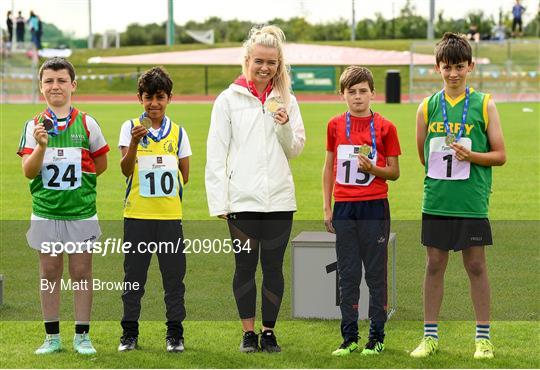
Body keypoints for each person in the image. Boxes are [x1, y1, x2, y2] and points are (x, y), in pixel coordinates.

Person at [205, 25, 305, 353]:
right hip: (242, 201)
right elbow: (216, 153)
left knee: (274, 268)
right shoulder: (228, 99)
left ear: (280, 65)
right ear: (247, 59)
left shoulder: (287, 100)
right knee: (245, 267)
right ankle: (248, 333)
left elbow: (295, 149)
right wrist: (219, 200)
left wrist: (284, 124)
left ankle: (269, 331)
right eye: (259, 61)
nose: (265, 67)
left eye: (272, 63)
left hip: (279, 201)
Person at [410, 32, 506, 360]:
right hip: (437, 200)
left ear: (471, 67)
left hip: (471, 201)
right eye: (448, 67)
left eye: (460, 67)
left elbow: (500, 154)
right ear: (438, 67)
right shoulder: (426, 107)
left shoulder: (484, 103)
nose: (454, 73)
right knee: (434, 265)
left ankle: (483, 340)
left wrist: (472, 157)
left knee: (476, 265)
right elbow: (424, 155)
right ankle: (430, 337)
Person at [17, 57, 109, 355]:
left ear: (73, 85)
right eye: (49, 81)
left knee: (82, 272)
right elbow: (28, 171)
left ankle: (82, 335)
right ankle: (52, 337)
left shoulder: (87, 122)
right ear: (41, 87)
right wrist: (42, 147)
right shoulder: (33, 125)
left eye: (61, 80)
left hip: (80, 212)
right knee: (49, 272)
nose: (55, 86)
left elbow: (101, 162)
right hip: (46, 212)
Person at [322, 66, 401, 357]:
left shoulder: (385, 127)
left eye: (362, 91)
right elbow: (329, 166)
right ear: (342, 94)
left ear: (372, 93)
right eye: (351, 92)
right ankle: (349, 338)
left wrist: (374, 169)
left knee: (376, 275)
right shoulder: (333, 125)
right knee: (348, 273)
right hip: (344, 208)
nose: (357, 97)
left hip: (374, 206)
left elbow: (394, 172)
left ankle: (376, 337)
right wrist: (327, 206)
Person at [117, 66, 191, 353]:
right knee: (134, 279)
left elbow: (185, 175)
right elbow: (125, 170)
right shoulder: (130, 127)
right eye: (148, 97)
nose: (154, 104)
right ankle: (129, 334)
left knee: (173, 279)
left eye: (160, 97)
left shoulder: (179, 133)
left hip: (169, 217)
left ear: (169, 98)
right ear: (140, 98)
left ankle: (175, 334)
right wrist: (135, 143)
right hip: (137, 216)